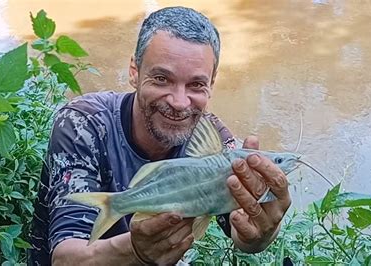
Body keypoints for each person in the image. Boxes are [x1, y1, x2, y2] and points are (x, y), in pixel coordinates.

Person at [28, 6, 291, 265]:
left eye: (196, 84)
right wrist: (136, 252)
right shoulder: (83, 123)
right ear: (134, 71)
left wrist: (260, 232)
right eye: (162, 79)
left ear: (211, 83)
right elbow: (65, 259)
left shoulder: (216, 144)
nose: (179, 102)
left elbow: (242, 234)